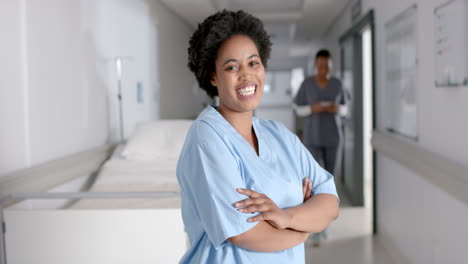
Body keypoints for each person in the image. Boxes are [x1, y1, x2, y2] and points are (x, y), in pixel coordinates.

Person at [176, 10, 339, 263]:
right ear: (213, 77)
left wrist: (287, 218)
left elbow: (329, 203)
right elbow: (245, 232)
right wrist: (305, 226)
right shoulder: (207, 137)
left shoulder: (280, 135)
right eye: (232, 67)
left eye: (254, 63)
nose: (246, 75)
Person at [293, 49, 348, 246]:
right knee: (314, 182)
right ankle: (315, 226)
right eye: (321, 65)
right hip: (313, 136)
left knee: (330, 181)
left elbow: (345, 108)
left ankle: (326, 225)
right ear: (316, 65)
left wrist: (336, 109)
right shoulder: (307, 84)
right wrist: (312, 109)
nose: (324, 69)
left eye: (327, 66)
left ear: (331, 66)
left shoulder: (337, 84)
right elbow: (298, 108)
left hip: (333, 137)